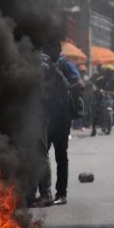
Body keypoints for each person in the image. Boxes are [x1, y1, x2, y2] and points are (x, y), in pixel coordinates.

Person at [36, 48, 79, 207]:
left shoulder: (62, 64)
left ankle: (57, 193)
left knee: (55, 155)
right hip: (51, 116)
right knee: (46, 155)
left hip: (60, 116)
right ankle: (50, 193)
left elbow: (76, 81)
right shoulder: (44, 63)